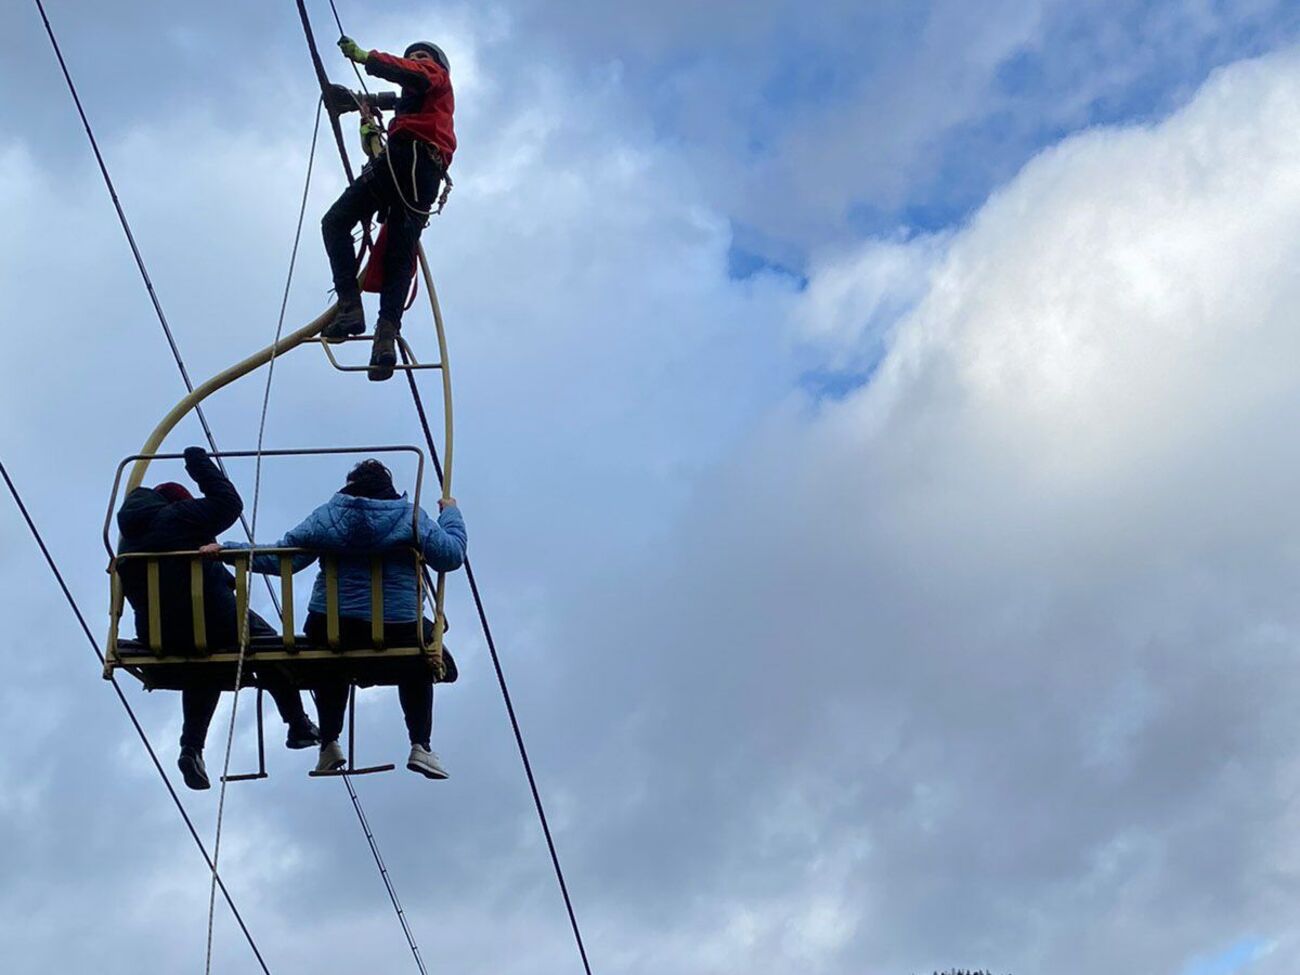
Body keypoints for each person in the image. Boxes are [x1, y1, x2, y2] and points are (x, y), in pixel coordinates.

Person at [219, 459, 467, 780]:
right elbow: (450, 555)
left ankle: (329, 743)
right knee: (420, 655)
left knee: (330, 658)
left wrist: (228, 550)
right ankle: (421, 744)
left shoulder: (328, 515)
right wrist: (451, 513)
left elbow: (284, 559)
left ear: (349, 486)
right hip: (398, 628)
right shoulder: (411, 517)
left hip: (333, 626)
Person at [115, 447, 320, 791]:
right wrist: (198, 462)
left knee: (203, 664)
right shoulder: (179, 516)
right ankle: (297, 723)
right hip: (215, 619)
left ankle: (190, 747)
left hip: (157, 633)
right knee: (269, 645)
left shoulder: (128, 537)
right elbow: (229, 504)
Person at [320, 36, 456, 382]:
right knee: (399, 257)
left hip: (410, 159)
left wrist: (369, 59)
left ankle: (351, 306)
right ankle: (384, 341)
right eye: (414, 55)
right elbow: (384, 140)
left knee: (336, 222)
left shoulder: (434, 78)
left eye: (423, 56)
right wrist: (365, 119)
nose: (418, 59)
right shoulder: (418, 108)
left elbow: (414, 74)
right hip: (416, 174)